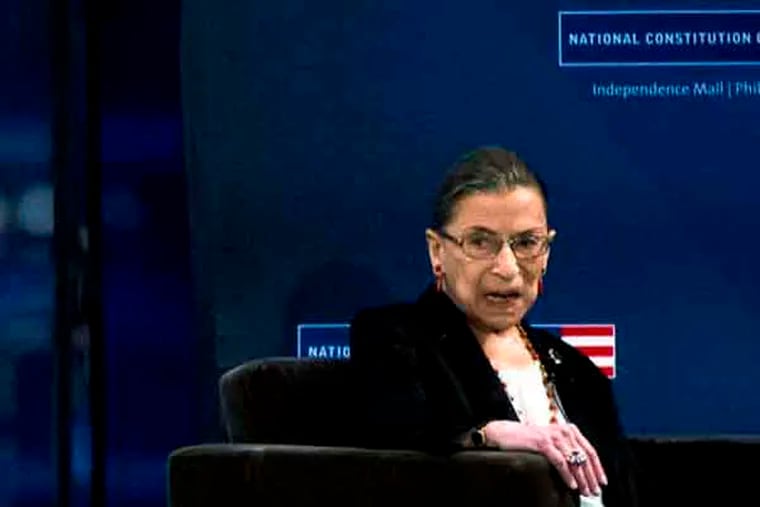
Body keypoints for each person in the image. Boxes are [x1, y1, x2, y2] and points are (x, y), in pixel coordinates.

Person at [349, 146, 638, 507]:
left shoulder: (580, 373)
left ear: (546, 251)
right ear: (437, 252)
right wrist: (488, 436)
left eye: (526, 243)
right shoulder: (394, 336)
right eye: (481, 242)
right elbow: (397, 433)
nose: (507, 267)